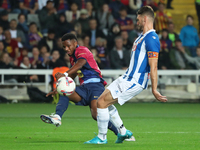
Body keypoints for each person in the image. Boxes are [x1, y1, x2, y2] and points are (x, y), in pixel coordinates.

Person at [85, 6, 167, 144]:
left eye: (138, 19)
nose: (137, 22)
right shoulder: (141, 37)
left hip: (135, 81)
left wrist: (154, 89)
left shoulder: (152, 38)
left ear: (145, 19)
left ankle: (102, 137)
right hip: (126, 77)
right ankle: (123, 132)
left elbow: (154, 66)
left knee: (101, 103)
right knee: (102, 99)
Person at [40, 33, 134, 141]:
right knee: (65, 92)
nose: (66, 49)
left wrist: (64, 74)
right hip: (84, 88)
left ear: (75, 43)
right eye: (64, 47)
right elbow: (74, 73)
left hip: (96, 86)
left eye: (68, 45)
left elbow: (80, 64)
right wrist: (58, 87)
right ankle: (57, 117)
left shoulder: (82, 50)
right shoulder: (72, 58)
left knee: (96, 114)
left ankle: (122, 134)